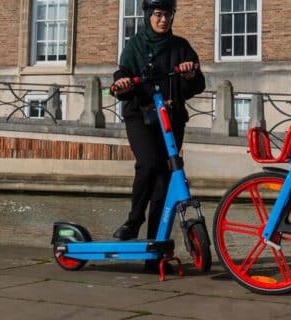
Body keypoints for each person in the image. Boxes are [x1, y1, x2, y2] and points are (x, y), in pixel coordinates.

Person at [110, 0, 205, 270]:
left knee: (166, 183)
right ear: (149, 16)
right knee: (149, 164)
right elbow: (122, 74)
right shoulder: (135, 45)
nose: (164, 20)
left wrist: (189, 74)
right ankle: (134, 221)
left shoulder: (180, 46)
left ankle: (155, 251)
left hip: (171, 118)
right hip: (141, 116)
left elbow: (198, 83)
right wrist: (123, 81)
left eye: (168, 14)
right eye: (158, 15)